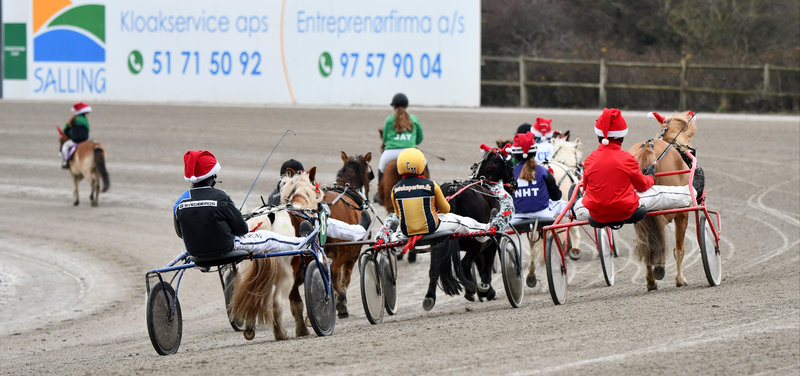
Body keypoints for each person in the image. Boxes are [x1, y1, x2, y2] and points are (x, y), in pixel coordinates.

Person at [174, 150, 369, 258]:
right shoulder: (221, 197)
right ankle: (307, 241)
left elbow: (180, 232)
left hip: (194, 253)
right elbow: (241, 229)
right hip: (227, 248)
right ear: (212, 176)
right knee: (269, 238)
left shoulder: (180, 201)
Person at [381, 148, 504, 242]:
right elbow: (446, 209)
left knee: (392, 233)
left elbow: (398, 214)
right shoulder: (431, 185)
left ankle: (382, 241)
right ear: (421, 164)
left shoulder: (395, 189)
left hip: (406, 232)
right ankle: (487, 229)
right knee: (462, 221)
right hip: (432, 228)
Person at [581, 108, 655, 226]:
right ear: (622, 137)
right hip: (626, 213)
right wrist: (651, 176)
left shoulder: (589, 159)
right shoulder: (628, 159)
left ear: (598, 136)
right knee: (653, 195)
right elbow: (642, 185)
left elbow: (585, 187)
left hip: (597, 216)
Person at [507, 132, 564, 224]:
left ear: (515, 154)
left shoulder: (509, 173)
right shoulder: (543, 171)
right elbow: (556, 196)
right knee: (561, 204)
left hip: (516, 217)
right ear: (534, 152)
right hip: (543, 214)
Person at [377, 93, 423, 192]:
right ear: (406, 105)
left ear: (393, 106)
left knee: (381, 168)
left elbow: (384, 139)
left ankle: (380, 192)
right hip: (410, 151)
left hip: (390, 153)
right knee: (424, 165)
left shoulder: (389, 120)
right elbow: (419, 138)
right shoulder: (414, 119)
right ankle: (428, 188)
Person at [61, 102, 91, 168]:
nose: (87, 115)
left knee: (65, 147)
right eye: (87, 113)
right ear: (83, 113)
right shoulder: (85, 120)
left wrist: (70, 135)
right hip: (85, 140)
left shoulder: (73, 119)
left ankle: (66, 162)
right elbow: (88, 130)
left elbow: (66, 129)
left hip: (75, 140)